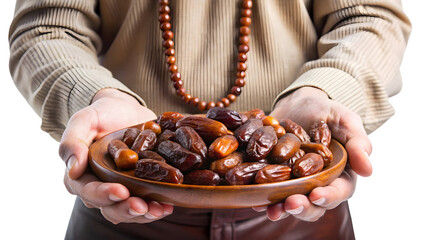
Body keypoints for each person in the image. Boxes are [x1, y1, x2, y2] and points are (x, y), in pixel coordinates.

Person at [8, 0, 411, 239]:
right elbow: (47, 26)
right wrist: (95, 96)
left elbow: (370, 16)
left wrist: (324, 90)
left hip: (299, 213)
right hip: (126, 206)